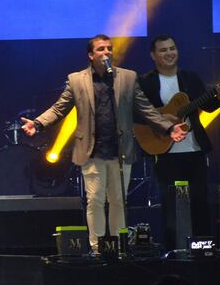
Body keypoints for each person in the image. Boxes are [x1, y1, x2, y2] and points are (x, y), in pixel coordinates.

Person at [20, 34, 187, 253]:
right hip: (92, 150)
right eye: (100, 49)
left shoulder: (127, 77)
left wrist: (168, 127)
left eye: (109, 48)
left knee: (119, 200)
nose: (106, 52)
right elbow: (59, 108)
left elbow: (145, 109)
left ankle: (119, 247)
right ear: (91, 55)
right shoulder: (77, 79)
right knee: (96, 200)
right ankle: (97, 247)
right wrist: (38, 123)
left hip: (120, 150)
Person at [138, 35, 220, 250]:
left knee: (199, 200)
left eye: (172, 48)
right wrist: (163, 121)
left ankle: (202, 247)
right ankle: (174, 249)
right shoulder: (146, 82)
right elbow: (139, 113)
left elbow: (208, 106)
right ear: (153, 55)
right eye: (163, 50)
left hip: (193, 149)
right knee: (171, 205)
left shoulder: (190, 78)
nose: (169, 53)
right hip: (165, 152)